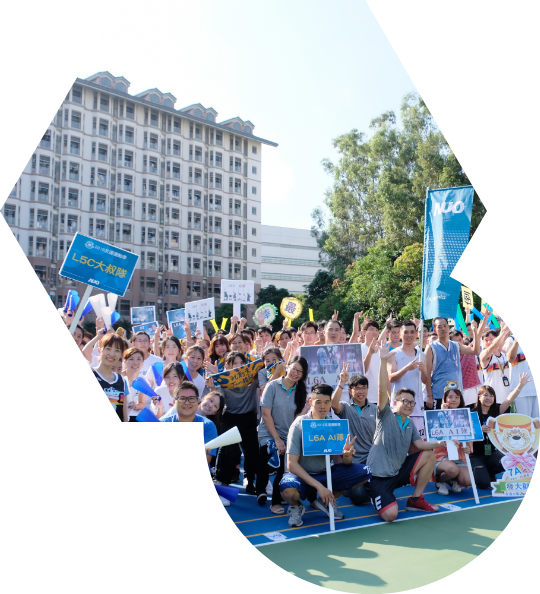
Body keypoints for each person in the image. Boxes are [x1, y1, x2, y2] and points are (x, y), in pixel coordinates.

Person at [365, 343, 444, 522]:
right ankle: (376, 496)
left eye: (411, 403)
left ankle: (415, 500)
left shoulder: (409, 423)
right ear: (395, 402)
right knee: (391, 516)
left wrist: (441, 443)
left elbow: (420, 445)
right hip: (377, 478)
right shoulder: (385, 414)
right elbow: (382, 389)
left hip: (396, 473)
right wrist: (383, 361)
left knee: (429, 454)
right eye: (405, 401)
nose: (409, 405)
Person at [279, 383, 372, 527]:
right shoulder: (299, 424)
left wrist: (347, 456)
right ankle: (296, 506)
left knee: (365, 472)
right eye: (318, 402)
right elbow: (291, 465)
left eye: (327, 402)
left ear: (330, 403)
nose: (322, 406)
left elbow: (344, 464)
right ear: (310, 402)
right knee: (287, 490)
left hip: (325, 473)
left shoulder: (334, 425)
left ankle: (327, 501)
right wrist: (320, 487)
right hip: (301, 476)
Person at [256, 356, 309, 514]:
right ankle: (261, 490)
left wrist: (306, 409)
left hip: (288, 435)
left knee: (283, 468)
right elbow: (266, 415)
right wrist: (277, 439)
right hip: (268, 433)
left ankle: (276, 501)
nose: (295, 373)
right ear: (287, 366)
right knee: (268, 459)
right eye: (294, 368)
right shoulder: (272, 386)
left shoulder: (301, 391)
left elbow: (297, 419)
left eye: (300, 372)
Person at [468, 375, 532, 489]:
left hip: (491, 454)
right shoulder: (471, 413)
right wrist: (479, 430)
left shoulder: (496, 411)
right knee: (484, 484)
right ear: (479, 397)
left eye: (491, 396)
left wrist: (520, 385)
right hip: (476, 456)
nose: (488, 398)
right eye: (485, 395)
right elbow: (466, 434)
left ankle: (488, 471)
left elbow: (509, 399)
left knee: (509, 462)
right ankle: (478, 472)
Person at [213, 351, 260, 494]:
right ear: (228, 366)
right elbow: (219, 397)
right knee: (231, 452)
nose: (239, 366)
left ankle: (250, 482)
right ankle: (223, 484)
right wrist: (214, 382)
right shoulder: (223, 380)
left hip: (248, 418)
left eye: (242, 363)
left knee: (252, 452)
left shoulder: (252, 378)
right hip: (230, 419)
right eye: (235, 363)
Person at [331, 366, 378, 505]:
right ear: (350, 390)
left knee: (381, 489)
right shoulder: (345, 407)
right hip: (353, 461)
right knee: (359, 497)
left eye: (364, 388)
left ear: (368, 389)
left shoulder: (375, 409)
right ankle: (351, 486)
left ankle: (359, 485)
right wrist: (342, 382)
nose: (360, 391)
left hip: (373, 460)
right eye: (357, 388)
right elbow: (333, 404)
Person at [424, 317, 480, 410]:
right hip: (439, 394)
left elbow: (476, 351)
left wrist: (475, 332)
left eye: (445, 326)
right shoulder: (430, 347)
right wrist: (429, 396)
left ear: (448, 327)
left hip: (457, 394)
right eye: (439, 327)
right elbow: (427, 374)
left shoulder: (456, 345)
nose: (443, 329)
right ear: (435, 330)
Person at [388, 320, 429, 438]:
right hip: (399, 406)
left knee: (418, 442)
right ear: (400, 334)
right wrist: (407, 368)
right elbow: (391, 378)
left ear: (416, 334)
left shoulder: (421, 355)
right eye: (406, 332)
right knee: (398, 441)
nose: (409, 335)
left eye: (412, 332)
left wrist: (423, 371)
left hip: (417, 406)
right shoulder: (393, 354)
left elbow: (425, 380)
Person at [433, 387, 472, 495]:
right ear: (445, 399)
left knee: (468, 480)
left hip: (459, 457)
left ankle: (451, 479)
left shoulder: (466, 416)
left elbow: (468, 440)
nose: (454, 400)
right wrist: (443, 413)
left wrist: (467, 448)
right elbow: (433, 439)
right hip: (441, 456)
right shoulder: (437, 415)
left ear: (461, 399)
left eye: (457, 397)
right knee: (452, 470)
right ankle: (440, 480)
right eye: (450, 397)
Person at [92, 333, 129, 421]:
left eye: (117, 350)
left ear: (121, 354)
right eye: (108, 348)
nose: (112, 354)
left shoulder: (122, 381)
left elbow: (124, 415)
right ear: (99, 350)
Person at [502, 331, 539, 418]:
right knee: (523, 423)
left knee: (537, 424)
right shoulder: (511, 340)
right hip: (520, 392)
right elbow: (510, 359)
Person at [479, 323, 513, 404]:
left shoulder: (505, 355)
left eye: (491, 339)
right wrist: (503, 332)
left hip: (506, 399)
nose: (489, 342)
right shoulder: (484, 356)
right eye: (486, 340)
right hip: (491, 400)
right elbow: (494, 346)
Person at [362, 320, 384, 404]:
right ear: (364, 331)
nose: (375, 332)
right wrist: (370, 354)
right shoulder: (360, 349)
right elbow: (363, 370)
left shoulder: (381, 349)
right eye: (372, 329)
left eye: (377, 330)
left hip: (382, 395)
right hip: (368, 396)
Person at [122, 347, 146, 422]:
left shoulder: (142, 380)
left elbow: (142, 403)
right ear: (125, 361)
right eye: (131, 359)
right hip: (120, 413)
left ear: (143, 362)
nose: (135, 362)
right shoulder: (119, 377)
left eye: (139, 359)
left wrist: (136, 406)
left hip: (134, 416)